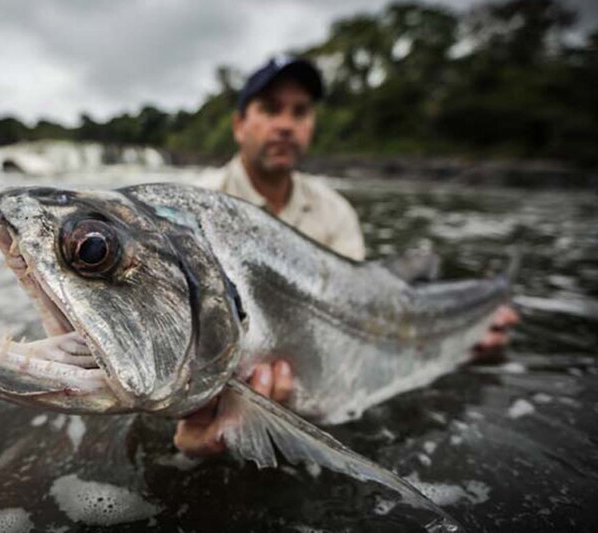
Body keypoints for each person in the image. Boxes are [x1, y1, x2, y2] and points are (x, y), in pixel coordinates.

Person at [175, 56, 520, 456]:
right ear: (239, 125)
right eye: (270, 109)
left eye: (300, 111)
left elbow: (366, 312)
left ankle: (492, 297)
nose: (285, 124)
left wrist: (464, 345)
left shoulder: (336, 211)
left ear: (311, 126)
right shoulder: (189, 216)